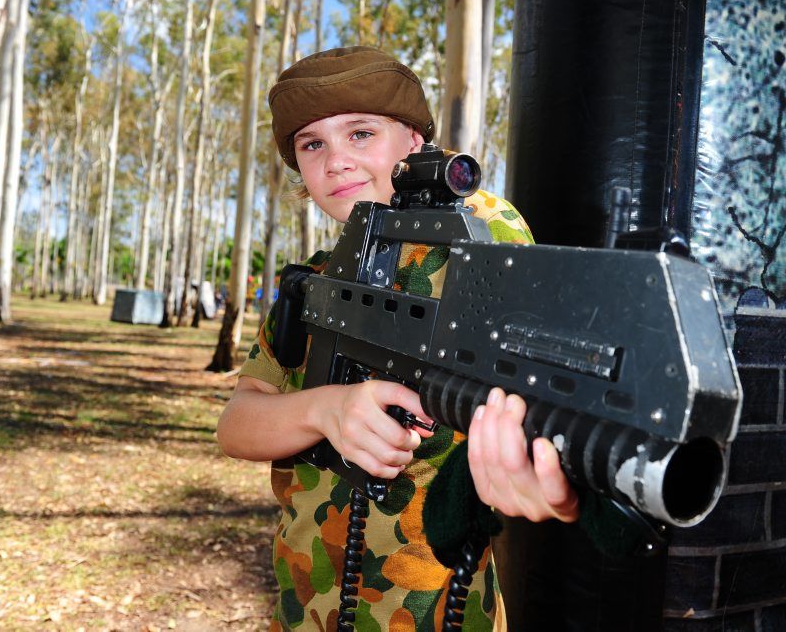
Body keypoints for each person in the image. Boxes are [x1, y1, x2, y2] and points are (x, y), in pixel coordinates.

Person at [217, 46, 579, 631]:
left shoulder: (473, 242)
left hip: (435, 607)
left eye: (361, 134)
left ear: (414, 141)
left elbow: (542, 383)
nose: (336, 161)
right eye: (313, 144)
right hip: (304, 597)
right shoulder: (313, 280)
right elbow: (236, 424)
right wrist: (326, 410)